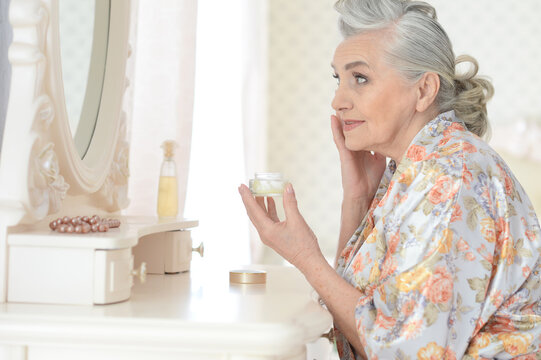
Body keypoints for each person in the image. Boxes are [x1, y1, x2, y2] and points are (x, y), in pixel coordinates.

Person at [238, 0, 541, 358]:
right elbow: (359, 315)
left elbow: (405, 351)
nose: (337, 100)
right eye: (339, 79)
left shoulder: (450, 178)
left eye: (360, 78)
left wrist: (305, 256)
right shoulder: (413, 168)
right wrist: (357, 200)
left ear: (424, 91)